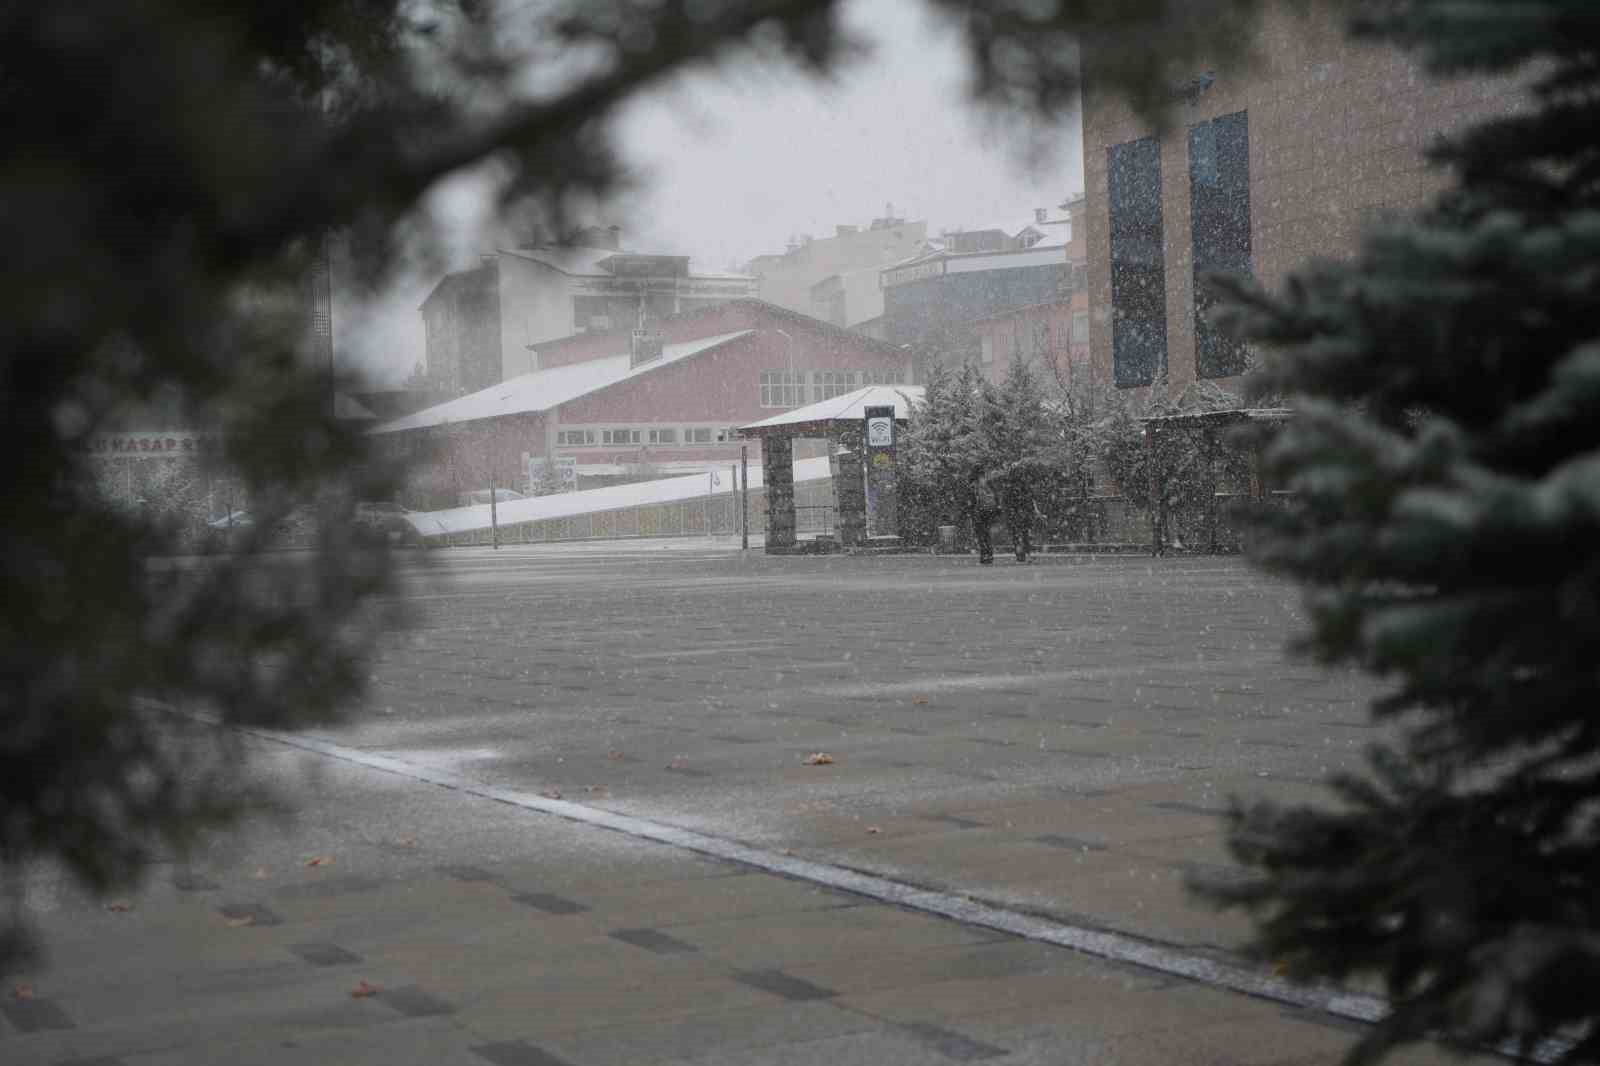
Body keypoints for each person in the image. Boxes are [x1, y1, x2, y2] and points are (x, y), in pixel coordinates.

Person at [969, 473, 1001, 564]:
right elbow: (996, 497)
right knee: (987, 533)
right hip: (989, 512)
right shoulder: (989, 484)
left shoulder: (974, 486)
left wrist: (970, 512)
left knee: (980, 535)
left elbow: (971, 502)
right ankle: (990, 555)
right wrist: (997, 510)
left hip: (979, 513)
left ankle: (984, 556)